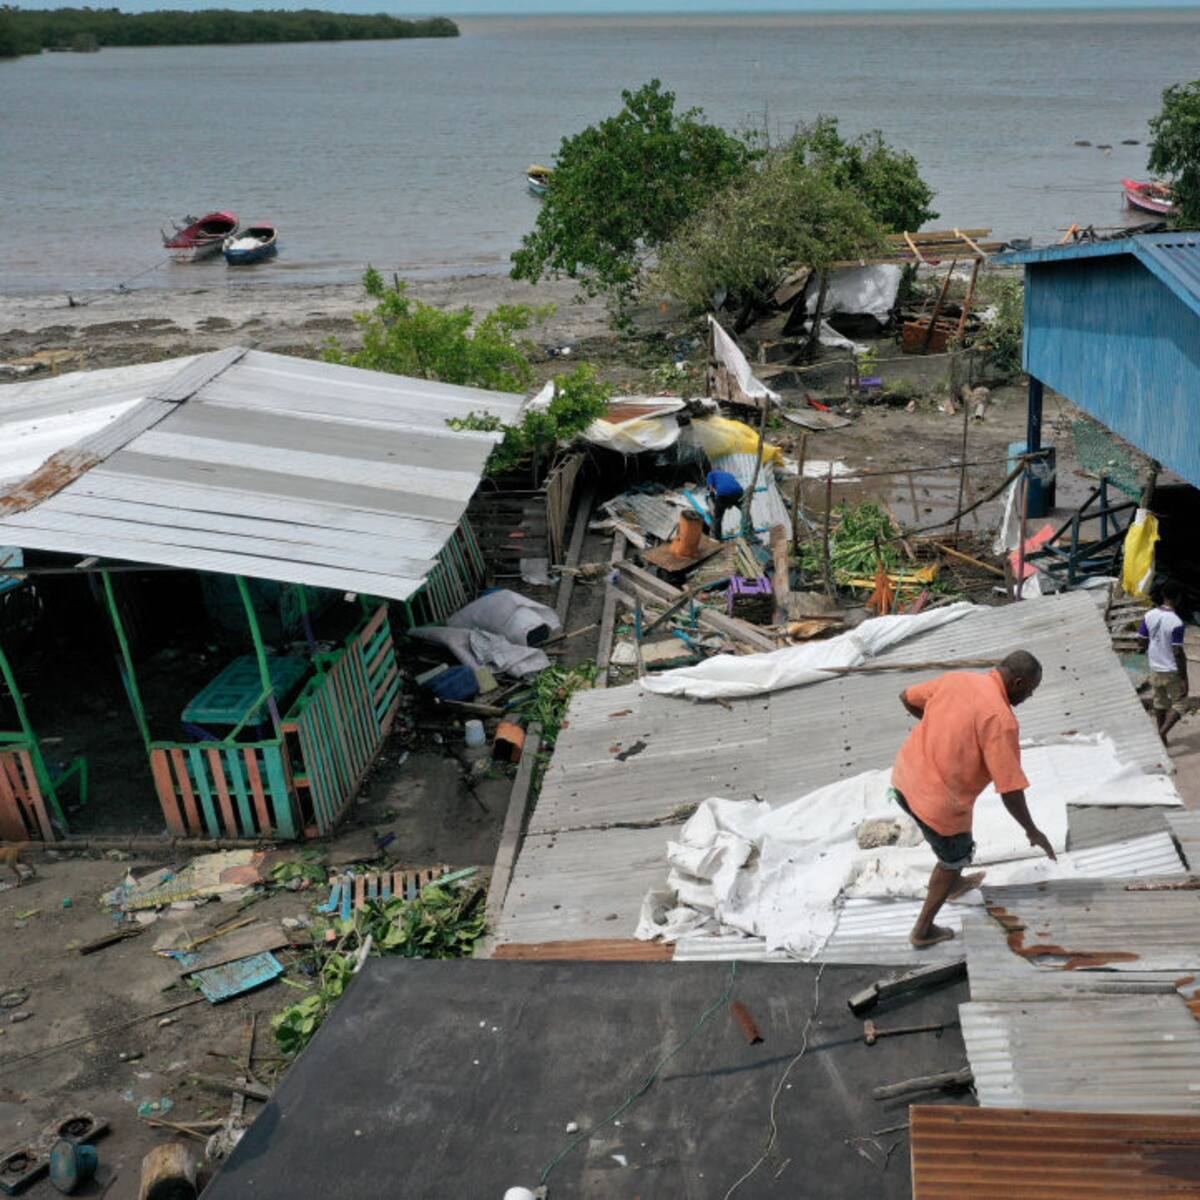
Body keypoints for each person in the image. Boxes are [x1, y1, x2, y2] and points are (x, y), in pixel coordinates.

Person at [890, 650, 1055, 948]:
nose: (1028, 698)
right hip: (938, 804)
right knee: (954, 856)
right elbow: (1010, 790)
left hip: (904, 778)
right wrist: (1032, 830)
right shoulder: (1000, 719)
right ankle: (923, 930)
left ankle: (954, 885)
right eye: (1030, 691)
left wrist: (940, 728)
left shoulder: (957, 680)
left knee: (956, 847)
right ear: (1017, 683)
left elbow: (906, 696)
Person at [1138, 586, 1190, 744]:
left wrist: (1153, 650)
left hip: (1154, 666)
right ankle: (1161, 733)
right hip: (1171, 670)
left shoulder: (1149, 615)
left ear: (1163, 595)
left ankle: (1162, 740)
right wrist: (1184, 678)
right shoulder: (1177, 622)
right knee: (1181, 703)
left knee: (1159, 702)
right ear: (1178, 599)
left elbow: (1141, 640)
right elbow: (1177, 652)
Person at [705, 469, 744, 539]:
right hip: (738, 491)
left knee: (717, 518)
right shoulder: (728, 474)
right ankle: (749, 530)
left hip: (723, 494)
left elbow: (711, 488)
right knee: (744, 511)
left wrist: (712, 495)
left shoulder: (710, 474)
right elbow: (732, 485)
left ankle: (717, 539)